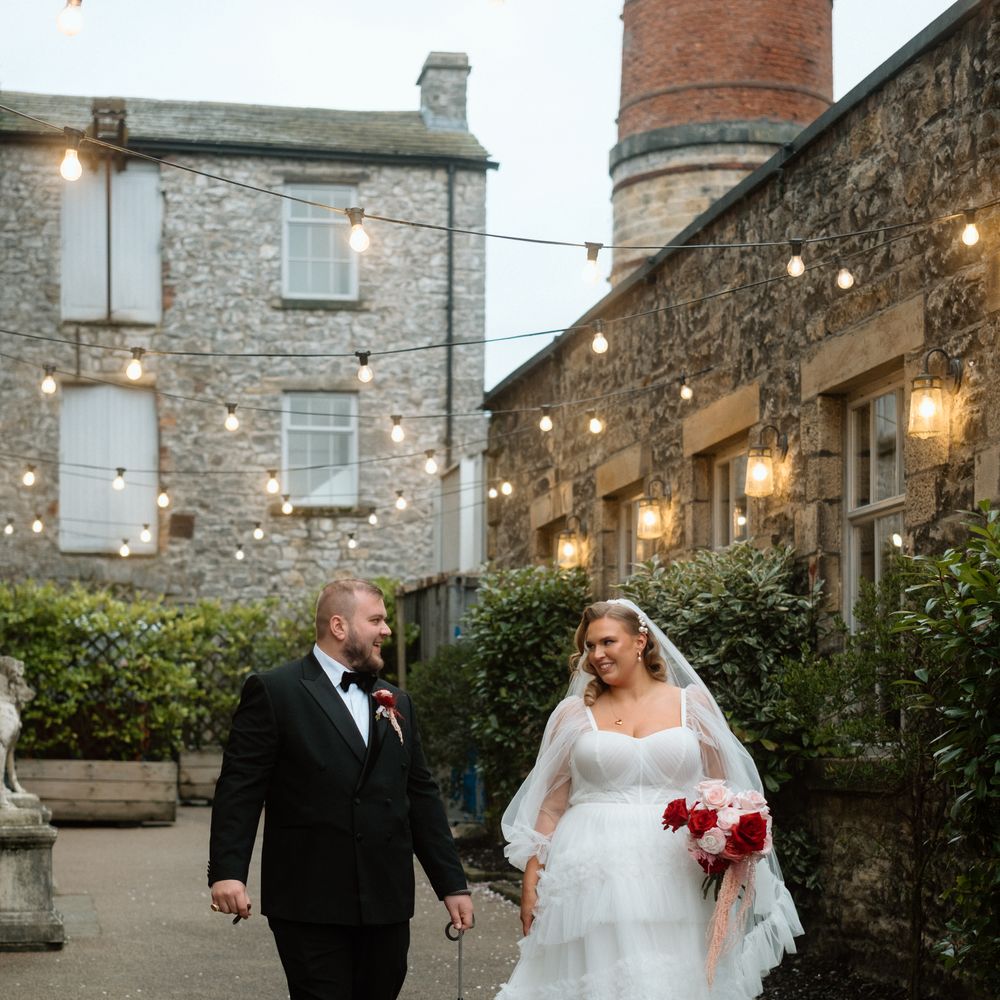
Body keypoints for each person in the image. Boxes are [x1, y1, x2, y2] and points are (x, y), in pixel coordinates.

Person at [497, 598, 802, 1000]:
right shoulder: (573, 714)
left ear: (640, 641)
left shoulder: (691, 705)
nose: (597, 654)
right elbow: (552, 806)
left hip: (676, 872)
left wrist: (730, 831)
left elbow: (723, 789)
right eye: (590, 646)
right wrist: (531, 882)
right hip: (592, 872)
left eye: (608, 642)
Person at [208, 578, 474, 1000]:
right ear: (339, 626)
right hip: (309, 898)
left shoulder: (396, 701)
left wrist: (452, 884)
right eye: (376, 620)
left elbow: (420, 796)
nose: (386, 630)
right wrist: (228, 872)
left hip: (386, 900)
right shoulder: (276, 691)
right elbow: (240, 787)